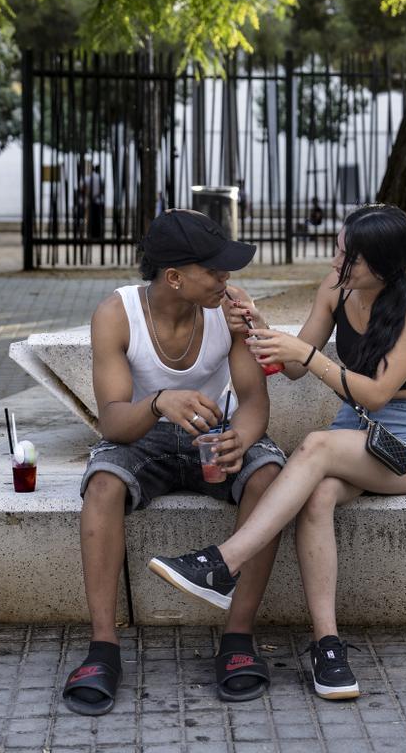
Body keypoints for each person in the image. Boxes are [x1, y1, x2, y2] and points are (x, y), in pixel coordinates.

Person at [148, 203, 406, 701]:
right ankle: (328, 645)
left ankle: (224, 562)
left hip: (403, 445)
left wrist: (306, 354)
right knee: (319, 492)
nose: (335, 263)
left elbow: (374, 395)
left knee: (315, 446)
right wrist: (260, 327)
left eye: (347, 257)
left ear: (383, 266)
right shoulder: (335, 290)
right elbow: (296, 367)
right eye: (338, 249)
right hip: (350, 438)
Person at [63, 208, 287, 716]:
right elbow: (114, 424)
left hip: (213, 433)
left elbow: (253, 401)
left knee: (270, 475)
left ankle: (237, 641)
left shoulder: (227, 309)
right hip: (144, 431)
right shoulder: (116, 314)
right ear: (175, 277)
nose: (227, 279)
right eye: (214, 270)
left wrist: (240, 438)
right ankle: (103, 648)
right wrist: (161, 400)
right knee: (102, 483)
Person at [86, 161, 104, 239]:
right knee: (98, 219)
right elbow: (102, 190)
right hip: (99, 201)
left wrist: (90, 196)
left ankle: (92, 234)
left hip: (92, 201)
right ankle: (98, 234)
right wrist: (96, 196)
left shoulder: (89, 178)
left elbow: (84, 188)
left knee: (92, 218)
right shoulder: (100, 178)